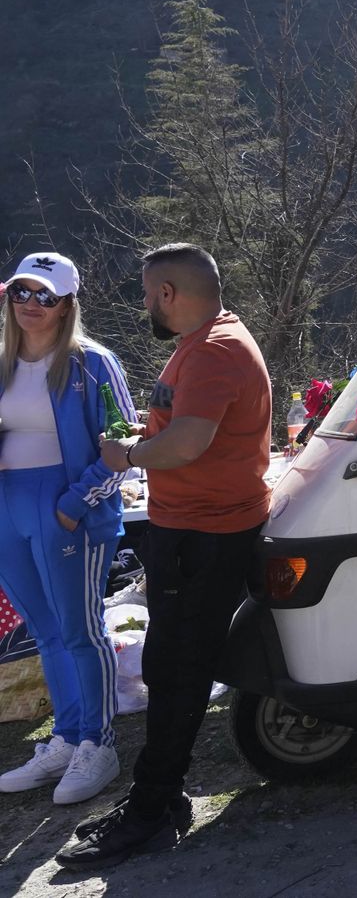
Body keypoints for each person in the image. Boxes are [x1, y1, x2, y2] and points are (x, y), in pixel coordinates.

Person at [59, 243, 272, 868]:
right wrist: (145, 440)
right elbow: (183, 432)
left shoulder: (214, 351)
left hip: (205, 537)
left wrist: (125, 455)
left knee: (178, 671)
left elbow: (187, 442)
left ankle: (152, 812)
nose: (146, 303)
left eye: (150, 293)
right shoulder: (208, 343)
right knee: (168, 665)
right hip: (193, 530)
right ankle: (159, 799)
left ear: (170, 293)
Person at [0, 253, 135, 806]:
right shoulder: (3, 360)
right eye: (22, 292)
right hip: (9, 507)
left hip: (65, 507)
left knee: (81, 631)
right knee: (44, 630)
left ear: (66, 305)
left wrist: (75, 504)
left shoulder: (92, 363)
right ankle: (67, 736)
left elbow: (127, 444)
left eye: (45, 296)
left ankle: (99, 746)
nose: (32, 304)